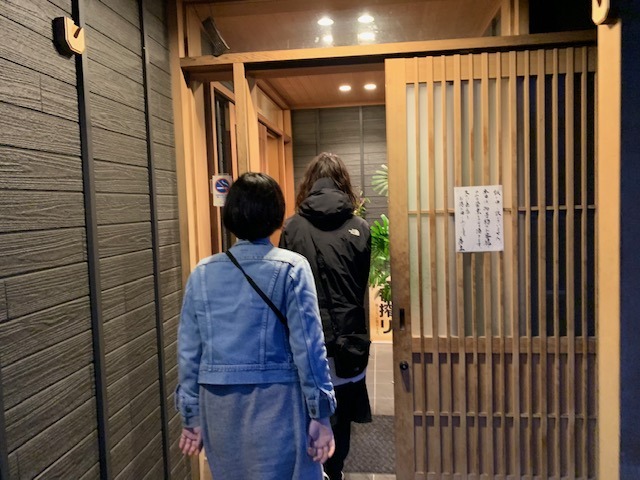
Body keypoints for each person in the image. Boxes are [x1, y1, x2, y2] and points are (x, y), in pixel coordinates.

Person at [176, 172, 336, 479]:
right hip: (278, 404)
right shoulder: (291, 268)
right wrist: (320, 414)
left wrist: (191, 415)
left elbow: (189, 352)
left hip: (219, 410)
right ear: (276, 215)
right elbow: (309, 347)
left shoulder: (202, 273)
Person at [279, 153, 372, 480]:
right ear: (343, 183)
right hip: (350, 341)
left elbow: (284, 285)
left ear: (310, 184)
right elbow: (360, 284)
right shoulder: (360, 228)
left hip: (306, 339)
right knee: (341, 415)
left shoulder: (292, 227)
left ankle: (312, 471)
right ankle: (336, 470)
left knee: (308, 412)